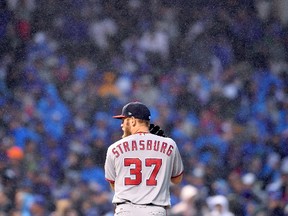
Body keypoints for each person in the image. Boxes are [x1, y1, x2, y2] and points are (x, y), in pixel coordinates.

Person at [105, 101, 184, 216]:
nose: (122, 125)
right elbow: (177, 179)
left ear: (132, 121)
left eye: (124, 120)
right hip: (155, 210)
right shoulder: (169, 144)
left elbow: (114, 185)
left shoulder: (114, 148)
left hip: (125, 210)